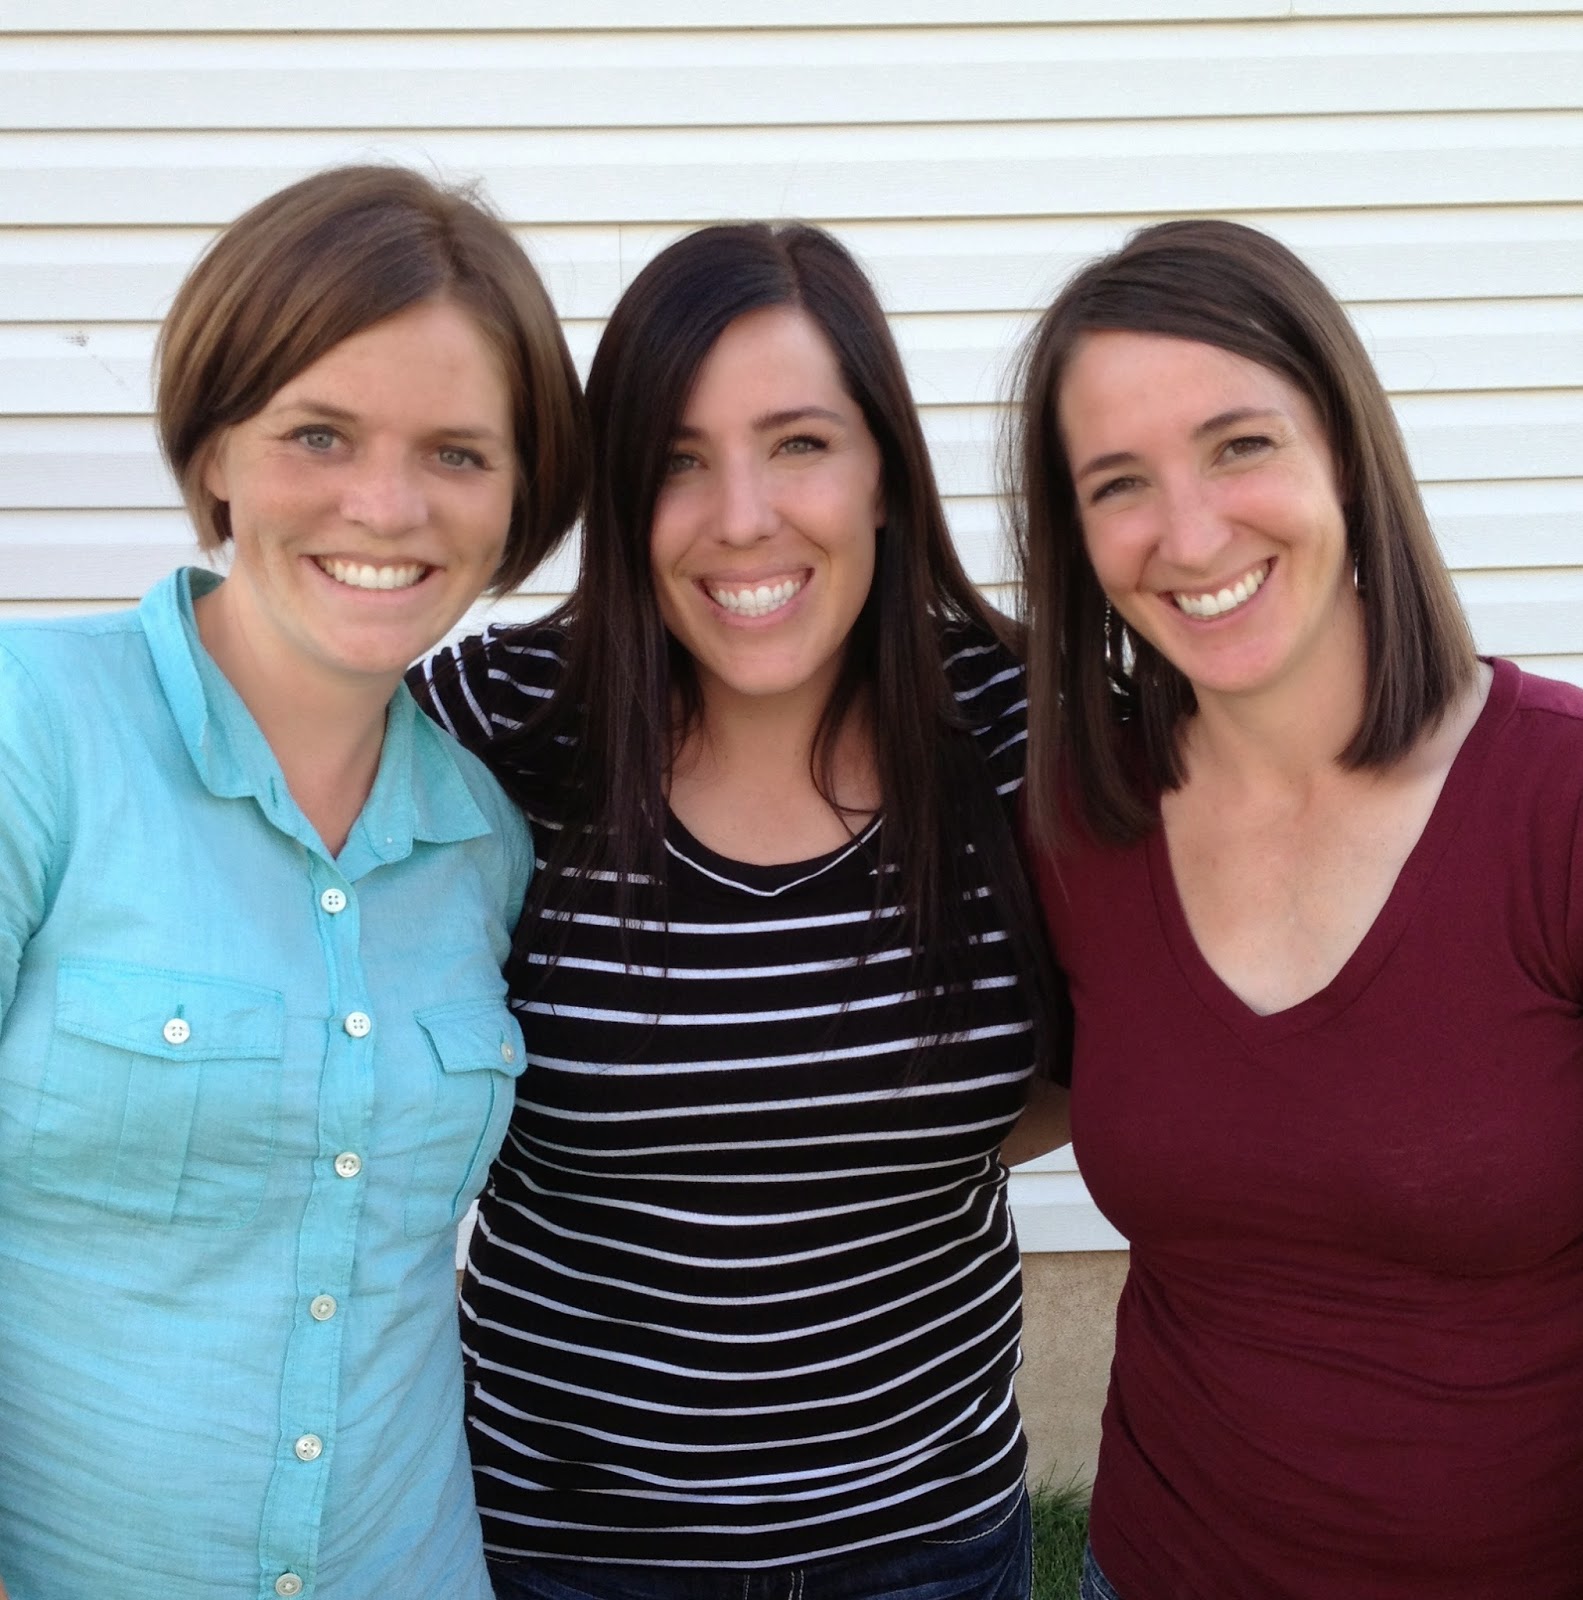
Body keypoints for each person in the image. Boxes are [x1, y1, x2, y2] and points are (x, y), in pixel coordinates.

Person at [412, 221, 1065, 1600]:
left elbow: (1124, 1049)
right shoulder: (495, 730)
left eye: (801, 443)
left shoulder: (1024, 735)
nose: (744, 517)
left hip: (923, 1541)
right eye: (677, 462)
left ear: (886, 470)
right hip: (568, 1550)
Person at [0, 164, 586, 1600]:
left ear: (518, 499)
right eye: (318, 434)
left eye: (458, 453)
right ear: (215, 451)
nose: (385, 505)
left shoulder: (484, 840)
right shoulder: (35, 732)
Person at [1009, 217, 1583, 1598]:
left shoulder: (1555, 804)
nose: (1190, 531)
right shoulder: (1082, 827)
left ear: (1346, 449)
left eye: (1240, 445)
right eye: (1119, 482)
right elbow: (1011, 1102)